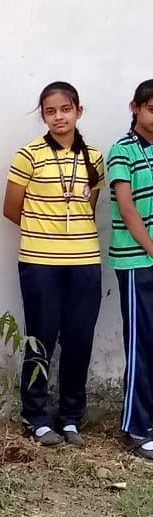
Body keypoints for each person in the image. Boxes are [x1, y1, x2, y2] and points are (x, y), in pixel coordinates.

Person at [3, 82, 103, 447]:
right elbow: (11, 208)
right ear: (43, 116)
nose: (59, 117)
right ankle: (35, 416)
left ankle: (71, 417)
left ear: (78, 110)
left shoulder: (94, 158)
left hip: (85, 261)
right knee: (41, 338)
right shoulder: (28, 155)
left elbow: (89, 207)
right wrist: (43, 234)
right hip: (40, 261)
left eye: (65, 109)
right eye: (50, 111)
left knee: (79, 339)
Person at [107, 79, 153, 461]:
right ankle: (137, 428)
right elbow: (126, 207)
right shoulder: (122, 150)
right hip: (138, 260)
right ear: (134, 107)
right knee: (141, 344)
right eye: (151, 108)